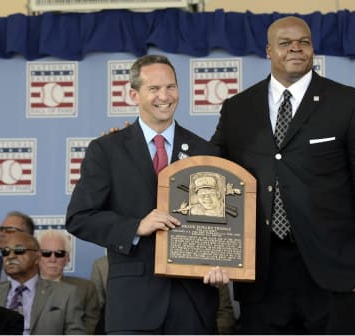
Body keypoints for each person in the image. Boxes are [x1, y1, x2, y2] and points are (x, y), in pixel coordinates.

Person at [210, 16, 355, 333]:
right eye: (285, 42)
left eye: (304, 42)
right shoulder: (237, 108)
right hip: (262, 273)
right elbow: (211, 169)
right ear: (269, 51)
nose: (296, 48)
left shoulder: (351, 104)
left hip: (336, 274)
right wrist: (146, 147)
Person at [66, 54, 229, 334]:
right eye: (153, 89)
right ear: (134, 94)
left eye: (171, 87)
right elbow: (80, 218)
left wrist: (220, 263)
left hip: (193, 305)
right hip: (133, 305)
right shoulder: (106, 150)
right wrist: (135, 227)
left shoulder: (207, 153)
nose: (164, 96)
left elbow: (223, 228)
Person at [90, 254, 236, 334]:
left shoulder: (211, 265)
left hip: (196, 323)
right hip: (135, 324)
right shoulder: (103, 266)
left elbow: (225, 312)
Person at [0, 231, 85, 334]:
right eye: (6, 251)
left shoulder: (66, 294)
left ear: (37, 257)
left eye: (19, 250)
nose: (10, 256)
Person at [36, 229, 100, 334]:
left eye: (59, 253)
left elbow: (87, 329)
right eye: (46, 253)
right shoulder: (23, 288)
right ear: (37, 257)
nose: (52, 259)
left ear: (67, 258)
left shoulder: (85, 289)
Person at [0, 211, 35, 282]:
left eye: (9, 230)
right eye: (1, 229)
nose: (2, 234)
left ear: (27, 236)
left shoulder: (42, 269)